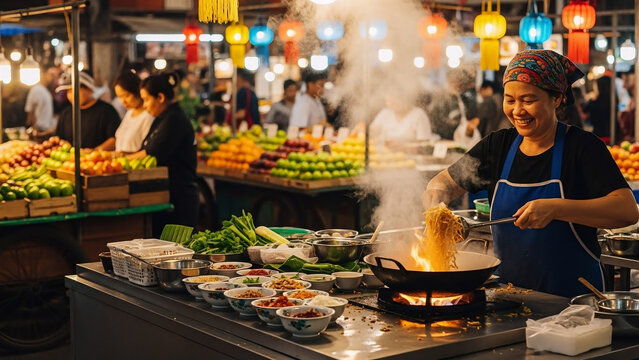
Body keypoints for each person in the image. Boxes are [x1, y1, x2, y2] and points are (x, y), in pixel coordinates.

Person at [421, 50, 638, 298]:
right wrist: (436, 196)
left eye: (528, 100)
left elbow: (627, 210)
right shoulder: (498, 146)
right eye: (510, 100)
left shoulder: (583, 147)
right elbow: (445, 181)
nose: (517, 110)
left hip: (574, 306)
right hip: (508, 299)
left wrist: (556, 208)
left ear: (556, 99)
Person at [128, 72, 198, 234]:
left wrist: (118, 160)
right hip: (166, 196)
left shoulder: (174, 119)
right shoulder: (162, 118)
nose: (144, 105)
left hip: (179, 200)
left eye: (146, 99)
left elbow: (150, 152)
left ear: (160, 97)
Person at [55, 71, 121, 149]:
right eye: (68, 92)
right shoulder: (66, 113)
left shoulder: (107, 111)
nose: (71, 95)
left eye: (74, 90)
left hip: (98, 159)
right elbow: (59, 138)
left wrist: (94, 153)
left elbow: (114, 139)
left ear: (89, 89)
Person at [95, 71, 154, 152]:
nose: (123, 101)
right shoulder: (130, 113)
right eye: (119, 97)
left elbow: (147, 150)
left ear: (137, 91)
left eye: (126, 95)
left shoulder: (148, 117)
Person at [370, 91, 436, 144]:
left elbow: (424, 143)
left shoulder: (419, 115)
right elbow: (371, 131)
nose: (390, 104)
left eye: (395, 100)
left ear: (405, 99)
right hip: (385, 155)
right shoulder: (385, 113)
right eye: (388, 101)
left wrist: (397, 144)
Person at [25, 65, 58, 135]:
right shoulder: (36, 89)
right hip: (39, 130)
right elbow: (30, 111)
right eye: (51, 75)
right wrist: (33, 129)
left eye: (55, 75)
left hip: (48, 130)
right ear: (44, 74)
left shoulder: (47, 91)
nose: (53, 78)